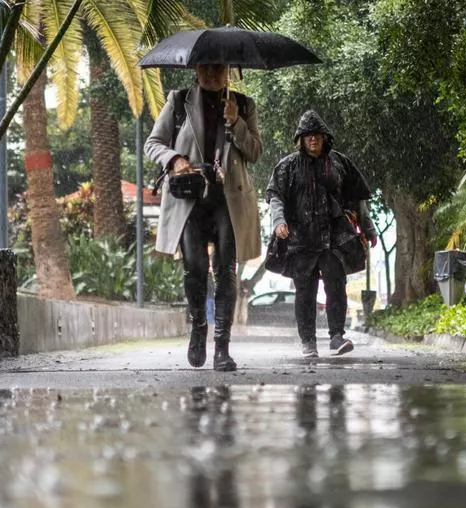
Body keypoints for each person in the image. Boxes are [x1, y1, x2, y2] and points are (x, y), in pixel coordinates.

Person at [144, 64, 262, 372]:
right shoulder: (178, 100)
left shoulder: (244, 105)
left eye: (217, 67)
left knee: (225, 271)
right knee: (195, 268)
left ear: (228, 70)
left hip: (229, 200)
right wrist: (174, 159)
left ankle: (222, 347)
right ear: (196, 69)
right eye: (205, 67)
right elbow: (153, 144)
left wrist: (236, 122)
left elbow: (254, 152)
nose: (211, 74)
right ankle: (198, 328)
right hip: (190, 198)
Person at [267, 110, 377, 358]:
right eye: (308, 135)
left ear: (325, 137)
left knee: (336, 286)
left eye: (317, 134)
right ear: (301, 139)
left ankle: (337, 337)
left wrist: (368, 227)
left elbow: (358, 198)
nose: (313, 139)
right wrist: (279, 221)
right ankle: (308, 341)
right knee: (305, 291)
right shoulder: (287, 166)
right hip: (301, 239)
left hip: (334, 238)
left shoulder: (340, 163)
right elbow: (275, 197)